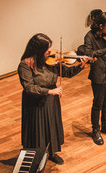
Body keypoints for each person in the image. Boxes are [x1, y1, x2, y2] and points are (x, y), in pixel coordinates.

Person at [18, 33, 88, 164]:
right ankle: (36, 157)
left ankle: (51, 152)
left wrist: (80, 65)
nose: (50, 51)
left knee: (51, 125)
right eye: (47, 48)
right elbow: (29, 87)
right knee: (38, 128)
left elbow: (67, 73)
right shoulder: (25, 65)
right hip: (36, 102)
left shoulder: (52, 61)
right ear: (38, 50)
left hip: (51, 99)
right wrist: (50, 91)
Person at [79, 10, 106, 145]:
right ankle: (96, 130)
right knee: (97, 104)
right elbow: (89, 54)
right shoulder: (89, 37)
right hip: (98, 75)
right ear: (100, 26)